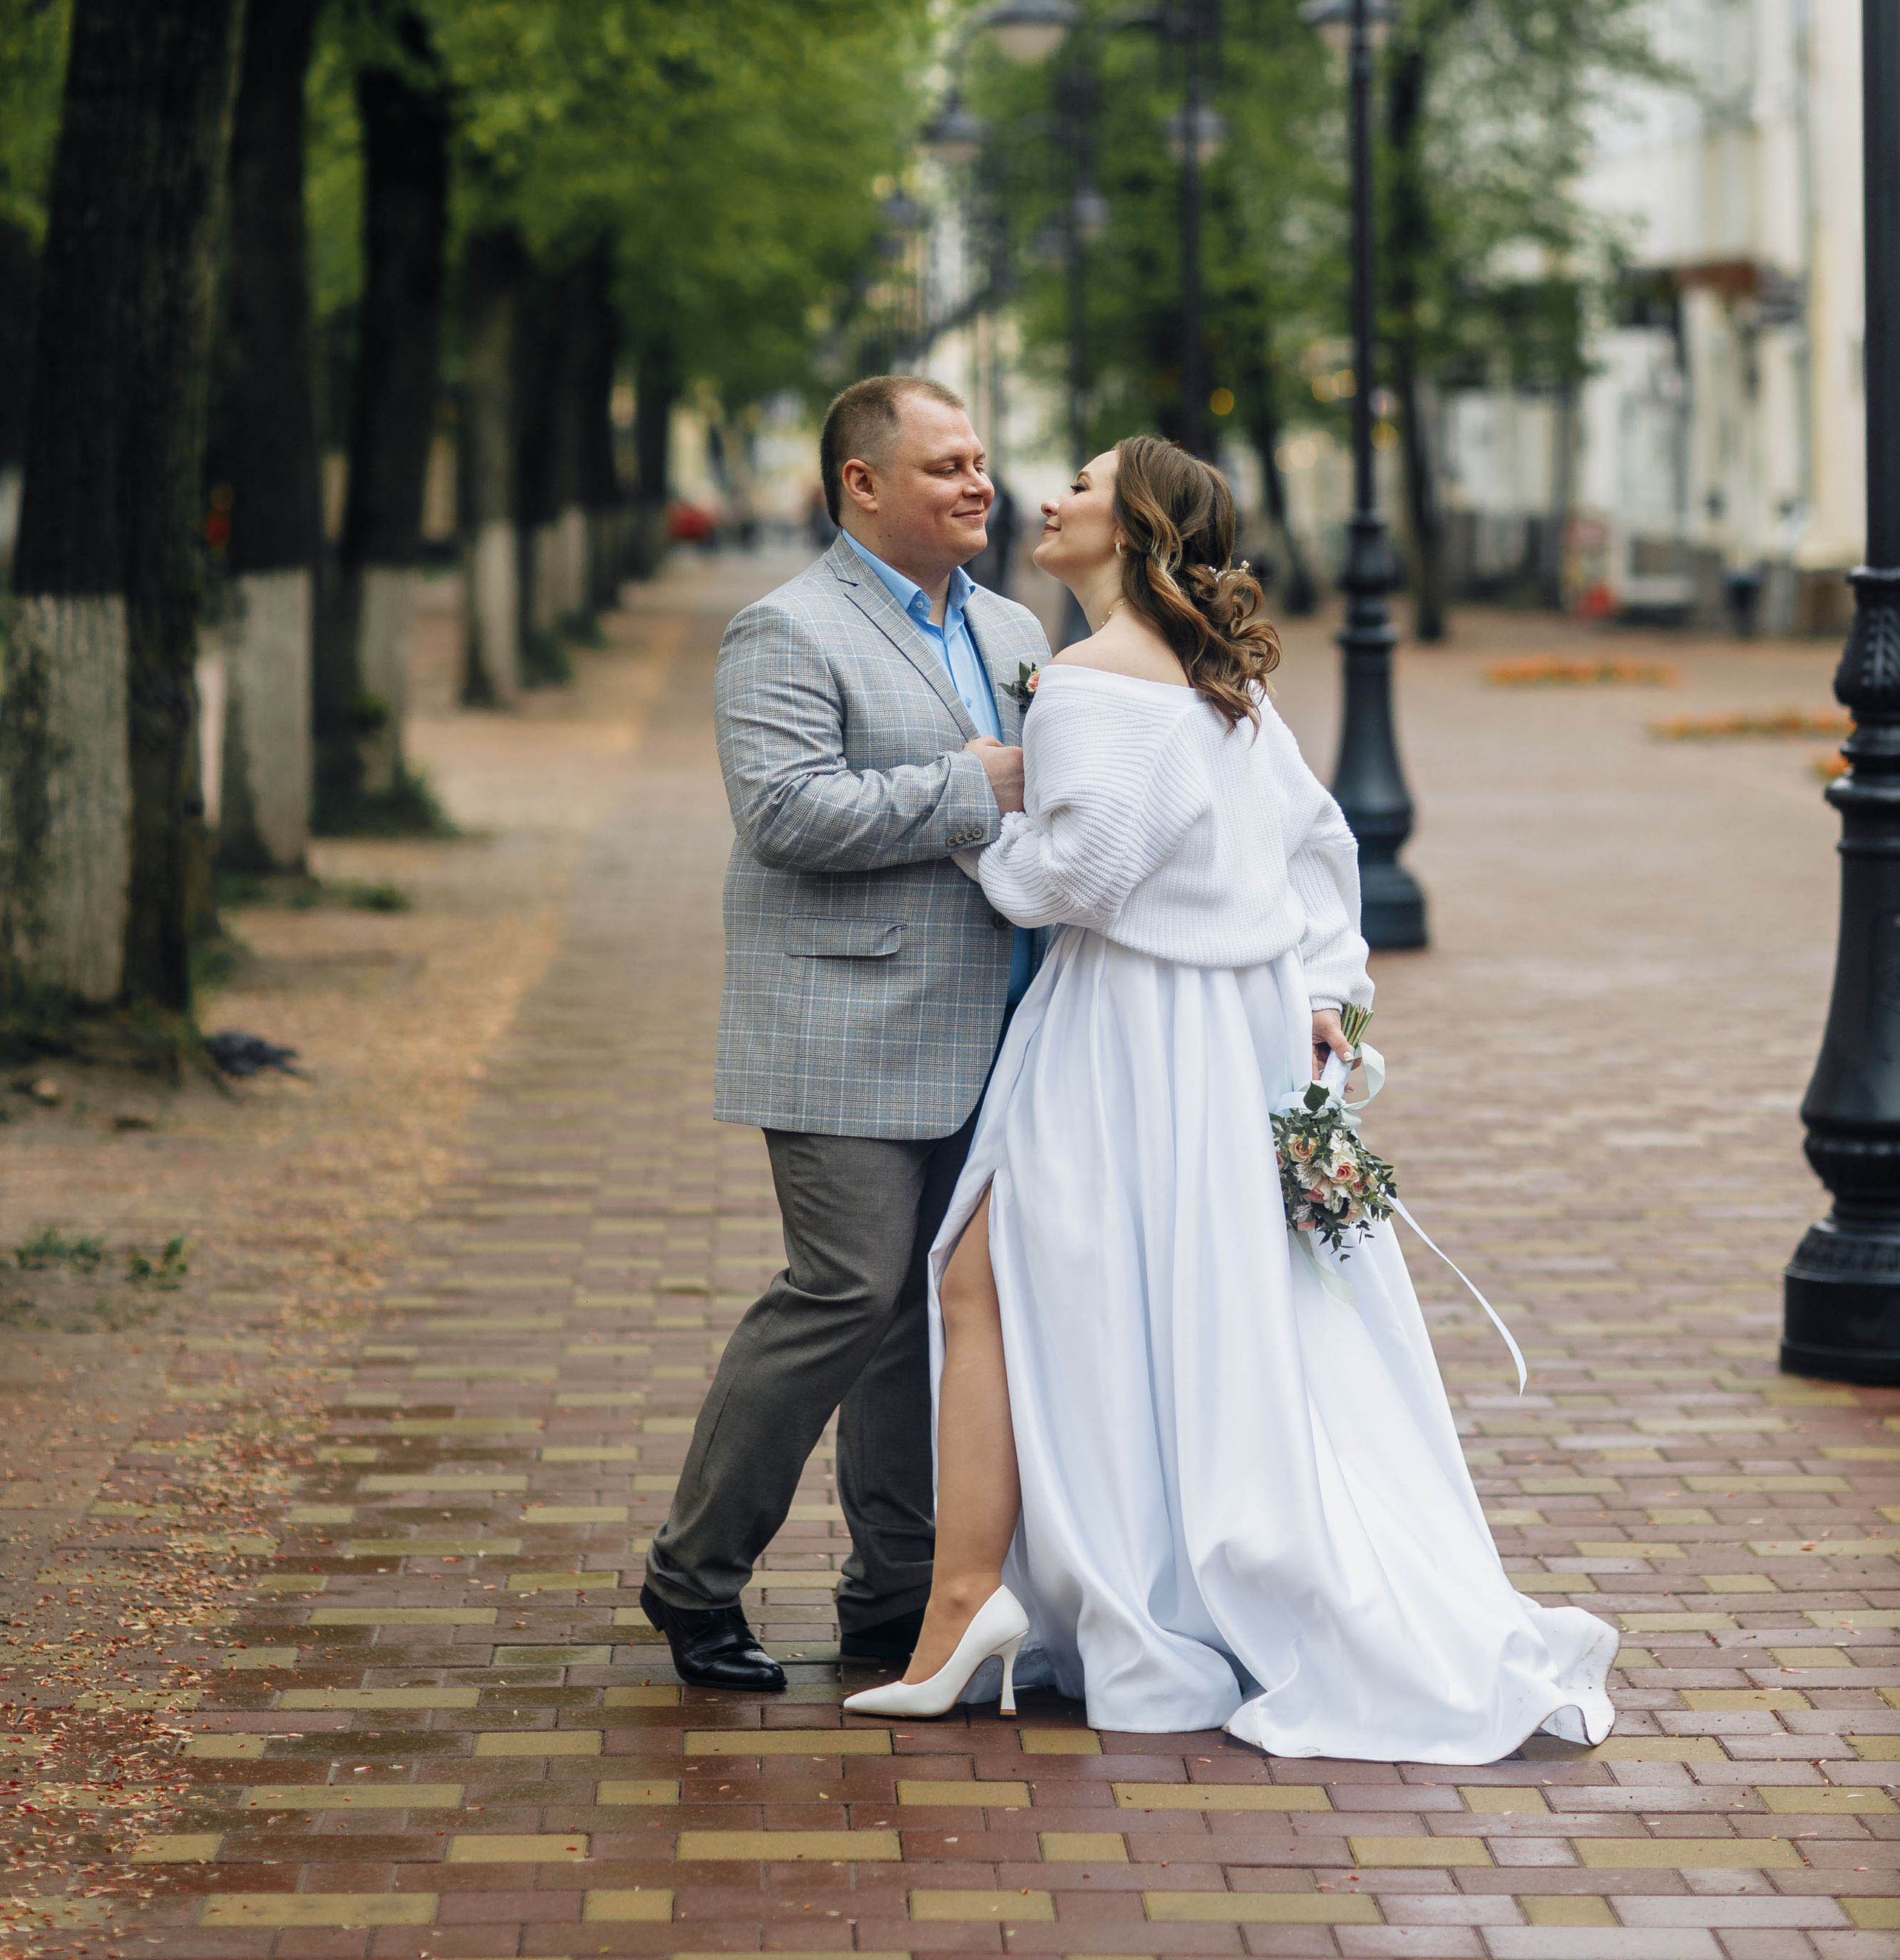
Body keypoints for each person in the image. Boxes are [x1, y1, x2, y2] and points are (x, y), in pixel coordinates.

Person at [844, 436, 1616, 1759]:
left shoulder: (1087, 683)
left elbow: (1076, 880)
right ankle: (1013, 1597)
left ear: (1132, 526)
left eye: (1080, 487)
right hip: (1235, 1031)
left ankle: (1044, 1602)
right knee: (1185, 1304)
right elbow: (1322, 847)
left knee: (1028, 1287)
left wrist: (983, 824)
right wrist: (1327, 990)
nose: (1049, 499)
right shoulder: (1223, 684)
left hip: (1129, 1034)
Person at [641, 375, 1051, 1691]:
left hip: (999, 1026)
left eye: (981, 460)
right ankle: (692, 1580)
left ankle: (896, 1596)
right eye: (945, 466)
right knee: (844, 1293)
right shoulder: (784, 630)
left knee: (931, 1321)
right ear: (861, 485)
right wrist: (966, 786)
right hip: (842, 1023)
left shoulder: (1011, 627)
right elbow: (784, 814)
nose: (978, 484)